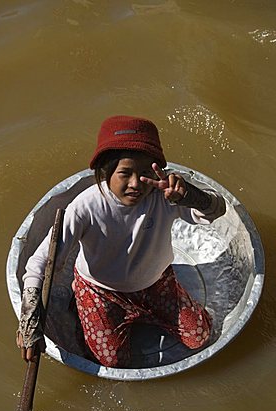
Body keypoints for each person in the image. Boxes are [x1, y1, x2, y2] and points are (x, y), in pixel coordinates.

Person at [16, 115, 226, 367]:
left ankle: (139, 312)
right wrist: (30, 321)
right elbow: (40, 263)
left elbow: (216, 210)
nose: (136, 184)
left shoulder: (164, 194)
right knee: (113, 362)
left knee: (200, 336)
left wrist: (189, 196)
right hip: (101, 291)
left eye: (146, 173)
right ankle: (79, 296)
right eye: (125, 173)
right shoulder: (86, 207)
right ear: (105, 172)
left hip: (156, 284)